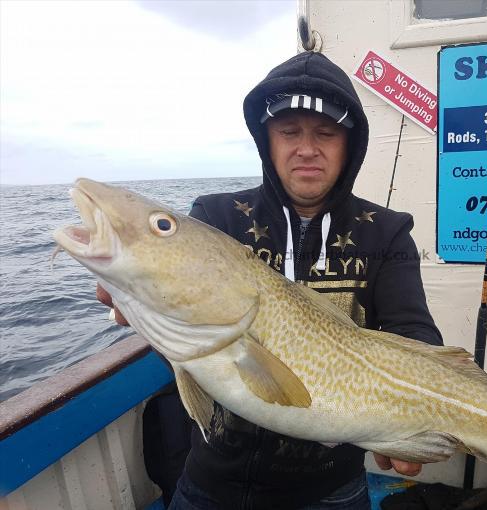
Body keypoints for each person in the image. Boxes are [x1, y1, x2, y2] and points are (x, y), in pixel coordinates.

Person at [98, 50, 443, 509]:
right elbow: (193, 345)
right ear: (266, 140)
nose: (306, 148)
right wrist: (143, 308)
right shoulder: (215, 218)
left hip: (331, 490)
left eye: (326, 133)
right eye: (288, 131)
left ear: (350, 144)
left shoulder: (386, 231)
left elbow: (413, 331)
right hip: (210, 484)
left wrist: (408, 422)